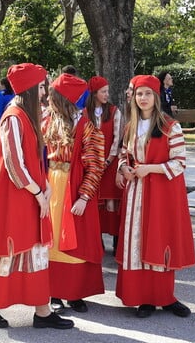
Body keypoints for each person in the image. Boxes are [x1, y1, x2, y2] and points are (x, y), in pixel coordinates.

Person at [0, 63, 74, 330]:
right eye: (41, 86)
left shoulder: (27, 116)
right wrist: (40, 192)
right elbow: (14, 165)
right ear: (30, 89)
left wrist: (44, 187)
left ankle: (42, 311)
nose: (45, 91)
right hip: (13, 198)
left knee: (35, 250)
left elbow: (31, 160)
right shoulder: (14, 117)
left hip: (28, 194)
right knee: (7, 252)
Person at [115, 74, 195, 318]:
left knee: (160, 243)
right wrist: (123, 168)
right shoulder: (130, 126)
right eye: (139, 94)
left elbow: (180, 163)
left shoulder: (170, 126)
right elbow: (123, 154)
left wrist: (149, 169)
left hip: (161, 195)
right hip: (136, 195)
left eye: (148, 93)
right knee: (137, 244)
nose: (143, 98)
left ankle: (165, 297)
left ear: (156, 97)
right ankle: (144, 299)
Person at [42, 73, 106, 314]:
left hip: (75, 188)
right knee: (53, 241)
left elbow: (95, 165)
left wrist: (84, 196)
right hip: (51, 186)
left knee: (76, 240)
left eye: (53, 96)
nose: (49, 99)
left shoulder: (87, 126)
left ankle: (75, 292)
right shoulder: (47, 122)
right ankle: (54, 291)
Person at [85, 76, 123, 255]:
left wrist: (108, 160)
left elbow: (117, 138)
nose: (107, 94)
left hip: (110, 163)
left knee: (113, 202)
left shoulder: (115, 111)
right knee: (95, 203)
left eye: (108, 91)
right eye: (103, 91)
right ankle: (96, 242)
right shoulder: (85, 113)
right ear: (94, 93)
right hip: (92, 165)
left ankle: (117, 243)